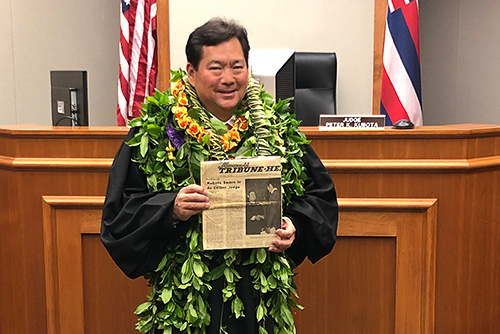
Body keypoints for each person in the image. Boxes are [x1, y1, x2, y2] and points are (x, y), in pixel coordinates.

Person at [101, 17, 338, 334]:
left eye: (237, 66)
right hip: (185, 301)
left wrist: (294, 225)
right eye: (216, 68)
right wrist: (170, 208)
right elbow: (119, 219)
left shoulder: (277, 130)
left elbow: (320, 200)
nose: (229, 78)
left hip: (256, 297)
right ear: (191, 72)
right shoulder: (154, 134)